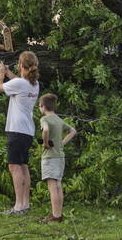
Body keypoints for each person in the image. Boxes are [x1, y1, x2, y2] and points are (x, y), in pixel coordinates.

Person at [0, 51, 40, 216]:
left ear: (21, 66)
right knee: (23, 166)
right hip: (27, 131)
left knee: (14, 166)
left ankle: (19, 206)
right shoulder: (34, 84)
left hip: (16, 129)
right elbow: (18, 82)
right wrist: (9, 73)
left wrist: (1, 74)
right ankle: (25, 203)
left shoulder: (21, 83)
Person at [37, 93, 76, 223]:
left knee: (52, 186)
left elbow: (46, 130)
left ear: (42, 107)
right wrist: (62, 143)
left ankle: (55, 215)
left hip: (49, 157)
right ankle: (58, 214)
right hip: (60, 156)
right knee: (58, 185)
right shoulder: (59, 119)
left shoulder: (45, 120)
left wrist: (45, 142)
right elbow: (73, 131)